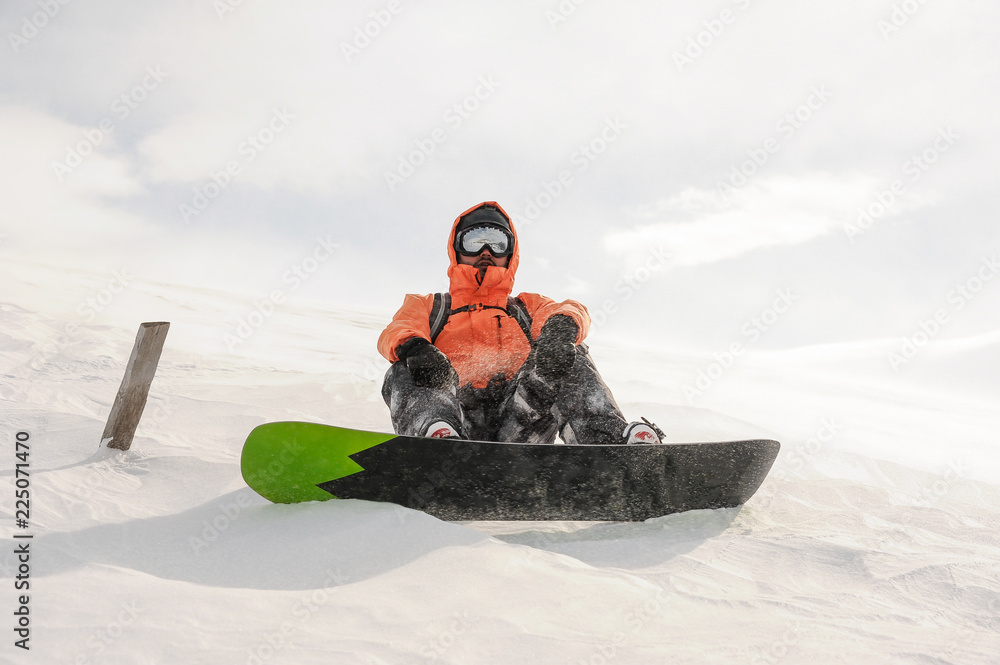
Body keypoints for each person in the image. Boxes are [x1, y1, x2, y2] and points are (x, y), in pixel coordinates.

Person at [377, 201, 664, 445]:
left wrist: (559, 331)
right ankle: (435, 439)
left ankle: (605, 442)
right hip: (455, 418)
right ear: (457, 249)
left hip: (521, 422)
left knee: (570, 354)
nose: (485, 251)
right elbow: (399, 329)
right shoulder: (431, 306)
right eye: (475, 241)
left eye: (497, 243)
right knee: (404, 368)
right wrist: (416, 348)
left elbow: (569, 309)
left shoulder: (527, 308)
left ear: (509, 254)